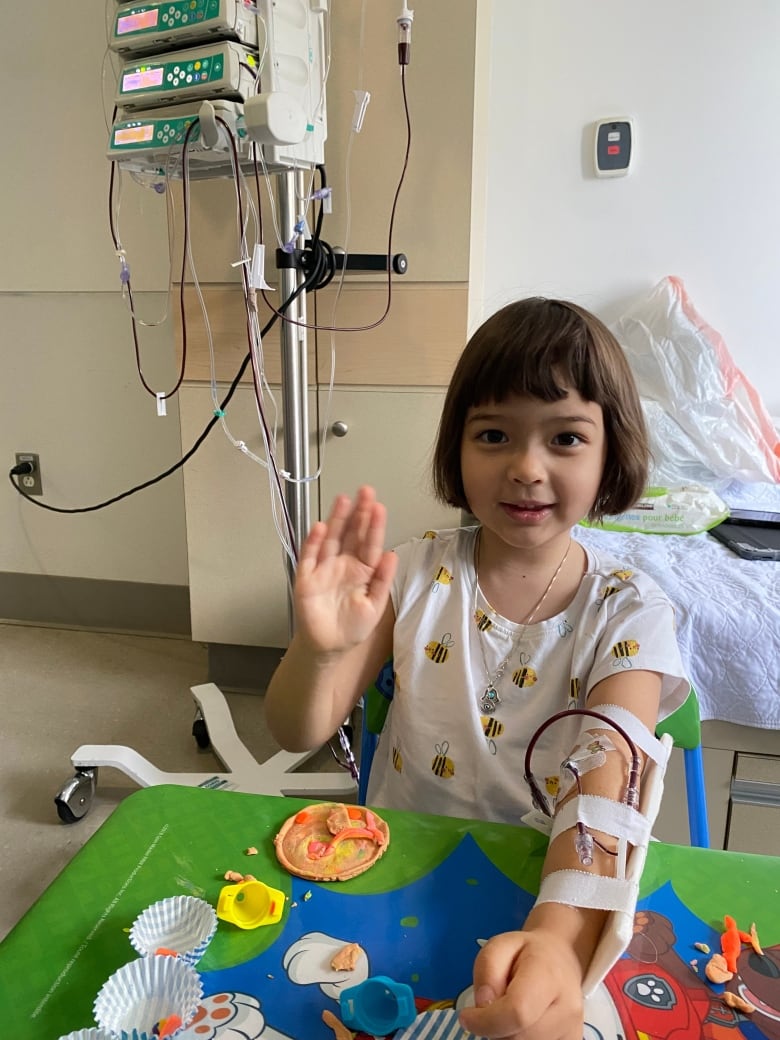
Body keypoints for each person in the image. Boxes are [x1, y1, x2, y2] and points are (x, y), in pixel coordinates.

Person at [265, 297, 689, 1040]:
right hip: (396, 873)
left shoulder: (629, 610)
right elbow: (297, 724)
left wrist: (557, 940)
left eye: (565, 438)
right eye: (494, 434)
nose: (526, 468)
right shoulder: (412, 575)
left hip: (551, 889)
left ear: (610, 454)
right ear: (456, 449)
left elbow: (607, 784)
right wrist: (320, 650)